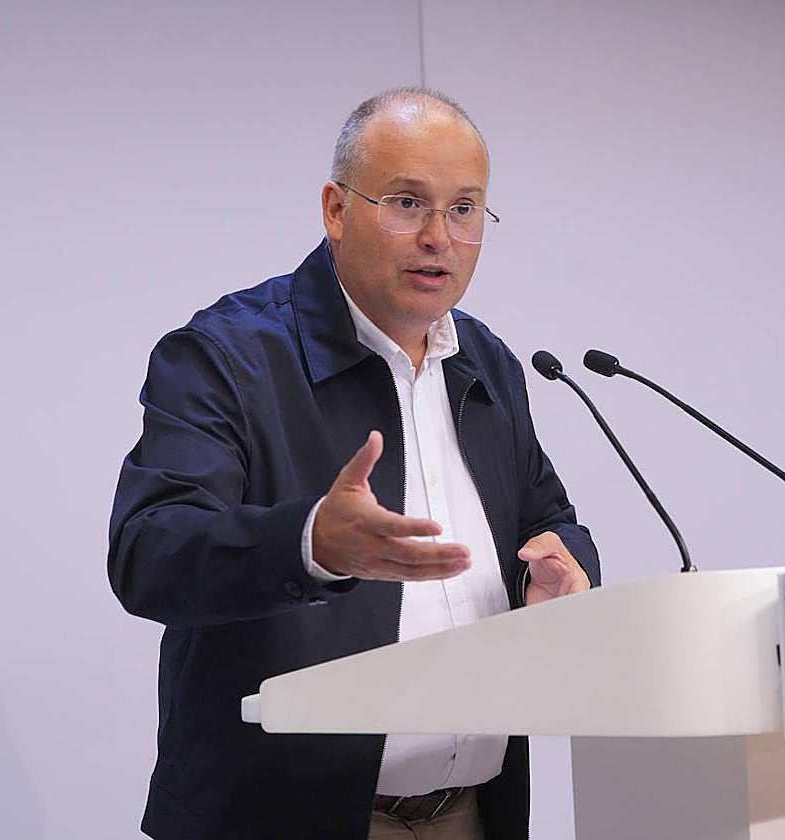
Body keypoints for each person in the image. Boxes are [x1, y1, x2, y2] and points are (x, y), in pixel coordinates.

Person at [108, 87, 600, 840]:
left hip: (470, 814)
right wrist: (309, 543)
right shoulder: (224, 356)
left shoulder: (487, 364)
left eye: (465, 208)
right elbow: (150, 552)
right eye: (408, 202)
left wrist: (564, 566)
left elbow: (547, 518)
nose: (440, 235)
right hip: (279, 817)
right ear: (337, 209)